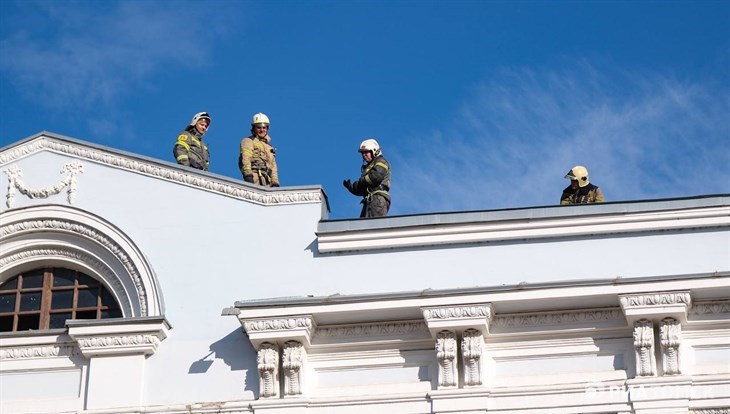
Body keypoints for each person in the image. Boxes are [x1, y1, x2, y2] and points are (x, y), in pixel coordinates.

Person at [343, 138, 391, 217]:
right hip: (369, 200)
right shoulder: (369, 166)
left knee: (374, 226)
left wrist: (361, 182)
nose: (364, 155)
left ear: (374, 151)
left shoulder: (381, 161)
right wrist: (351, 187)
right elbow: (361, 189)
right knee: (363, 226)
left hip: (377, 199)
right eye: (362, 153)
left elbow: (376, 177)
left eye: (366, 152)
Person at [239, 112, 280, 187]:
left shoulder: (269, 147)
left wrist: (275, 183)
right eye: (259, 127)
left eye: (264, 127)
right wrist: (248, 176)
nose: (262, 130)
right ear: (254, 128)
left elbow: (273, 167)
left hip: (267, 182)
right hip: (255, 177)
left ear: (267, 128)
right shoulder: (248, 141)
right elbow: (245, 159)